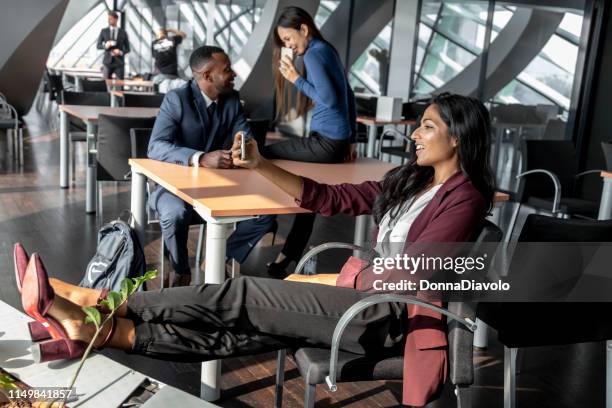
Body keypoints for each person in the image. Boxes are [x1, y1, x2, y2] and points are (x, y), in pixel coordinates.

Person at [17, 93, 495, 407]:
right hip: (362, 298)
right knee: (237, 336)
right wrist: (263, 165)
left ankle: (98, 301)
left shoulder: (466, 196)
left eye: (428, 126)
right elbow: (330, 198)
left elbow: (418, 274)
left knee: (240, 296)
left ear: (459, 135)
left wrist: (335, 278)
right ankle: (102, 332)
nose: (414, 134)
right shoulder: (409, 180)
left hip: (384, 315)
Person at [146, 45, 276, 287]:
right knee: (174, 214)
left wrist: (242, 147)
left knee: (266, 213)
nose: (234, 74)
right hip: (174, 188)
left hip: (220, 187)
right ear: (207, 76)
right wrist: (200, 157)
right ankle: (180, 269)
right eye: (227, 69)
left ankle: (220, 258)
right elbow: (155, 147)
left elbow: (245, 138)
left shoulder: (233, 100)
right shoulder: (177, 99)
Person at [265, 6, 358, 278]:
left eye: (289, 39)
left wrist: (295, 78)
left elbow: (329, 99)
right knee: (310, 197)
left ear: (303, 29)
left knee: (266, 152)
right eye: (284, 43)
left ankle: (260, 220)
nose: (289, 46)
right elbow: (348, 96)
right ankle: (286, 259)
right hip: (335, 142)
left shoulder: (314, 54)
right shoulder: (325, 49)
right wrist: (351, 139)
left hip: (326, 143)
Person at [96, 11, 130, 80]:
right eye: (108, 19)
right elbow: (98, 46)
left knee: (119, 86)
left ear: (116, 19)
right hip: (107, 62)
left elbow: (128, 48)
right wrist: (105, 46)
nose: (108, 21)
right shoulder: (104, 31)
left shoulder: (123, 32)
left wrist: (120, 52)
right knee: (105, 85)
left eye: (110, 19)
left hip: (119, 63)